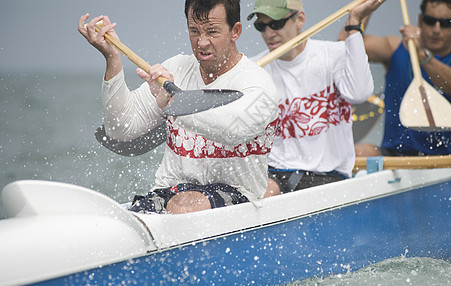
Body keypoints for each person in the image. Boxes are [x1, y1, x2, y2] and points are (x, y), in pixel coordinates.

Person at [78, 0, 278, 214]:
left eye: (212, 32)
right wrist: (112, 58)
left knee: (184, 205)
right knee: (163, 207)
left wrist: (171, 104)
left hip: (239, 197)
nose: (201, 42)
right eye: (194, 31)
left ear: (235, 31)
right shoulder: (177, 68)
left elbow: (235, 130)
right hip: (169, 192)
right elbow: (121, 130)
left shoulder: (259, 84)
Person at [248, 0, 379, 197]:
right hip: (275, 175)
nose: (268, 34)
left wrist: (354, 26)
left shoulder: (333, 55)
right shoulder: (254, 70)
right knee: (260, 192)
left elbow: (359, 94)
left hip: (328, 176)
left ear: (300, 19)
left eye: (276, 24)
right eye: (261, 26)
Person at [351, 0, 451, 157]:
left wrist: (421, 56)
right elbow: (347, 48)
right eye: (430, 21)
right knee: (359, 153)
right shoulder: (394, 48)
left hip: (445, 159)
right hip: (395, 156)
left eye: (446, 23)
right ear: (419, 21)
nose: (436, 29)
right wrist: (362, 12)